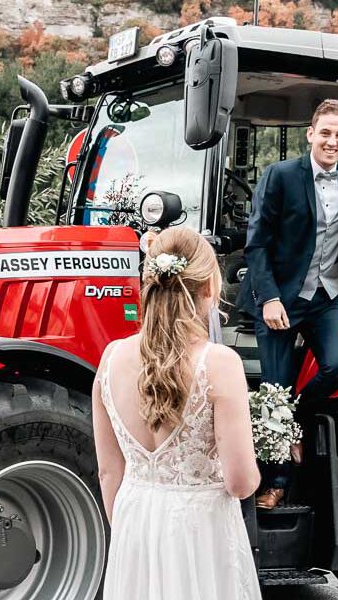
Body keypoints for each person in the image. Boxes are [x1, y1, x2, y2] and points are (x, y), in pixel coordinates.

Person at [236, 99, 338, 509]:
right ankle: (276, 484)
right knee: (275, 392)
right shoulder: (281, 175)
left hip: (326, 297)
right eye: (325, 133)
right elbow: (257, 243)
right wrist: (269, 298)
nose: (332, 141)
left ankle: (297, 420)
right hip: (282, 297)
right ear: (311, 134)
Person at [92, 227, 262, 600]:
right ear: (209, 288)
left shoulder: (111, 358)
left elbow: (108, 472)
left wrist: (130, 531)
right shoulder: (220, 363)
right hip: (200, 531)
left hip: (135, 523)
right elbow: (240, 482)